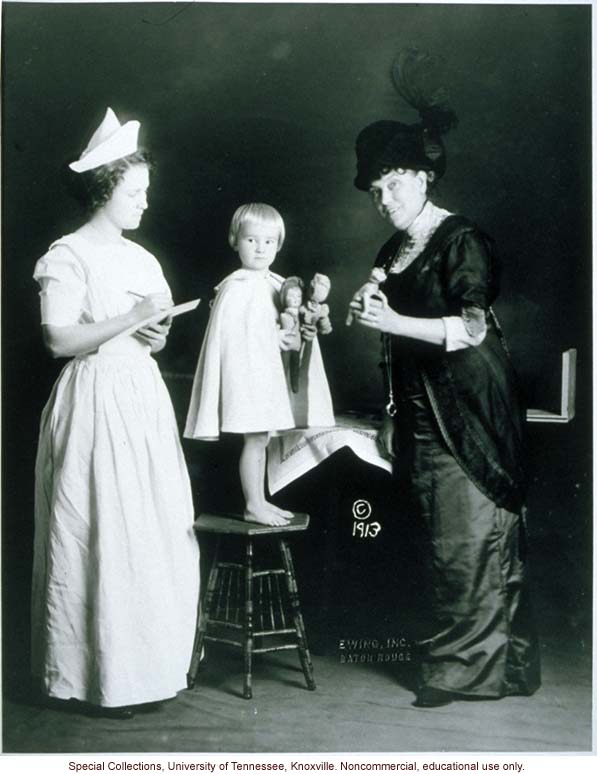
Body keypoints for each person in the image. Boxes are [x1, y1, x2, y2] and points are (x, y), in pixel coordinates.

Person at [348, 50, 541, 708]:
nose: (382, 200)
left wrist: (394, 320)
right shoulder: (392, 248)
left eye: (392, 186)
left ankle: (468, 672)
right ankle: (473, 661)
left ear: (423, 177)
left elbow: (471, 330)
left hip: (470, 409)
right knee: (439, 538)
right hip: (420, 407)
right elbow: (390, 342)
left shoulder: (460, 239)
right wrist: (387, 406)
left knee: (466, 536)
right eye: (373, 191)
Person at [31, 108, 200, 719]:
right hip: (94, 401)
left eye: (147, 192)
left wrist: (154, 335)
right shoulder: (68, 255)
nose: (144, 203)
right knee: (98, 527)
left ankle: (147, 672)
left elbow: (146, 336)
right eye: (135, 192)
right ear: (105, 190)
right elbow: (57, 340)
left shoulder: (142, 258)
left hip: (141, 396)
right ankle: (96, 677)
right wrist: (131, 319)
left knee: (149, 529)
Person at [184, 203, 335, 526]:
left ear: (278, 244)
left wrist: (297, 336)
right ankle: (253, 504)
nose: (260, 248)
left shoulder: (278, 284)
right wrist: (272, 340)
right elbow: (237, 340)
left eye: (269, 242)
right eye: (251, 240)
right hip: (247, 379)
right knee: (255, 440)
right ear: (235, 240)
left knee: (262, 440)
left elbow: (285, 327)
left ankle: (260, 499)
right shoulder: (235, 287)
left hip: (267, 378)